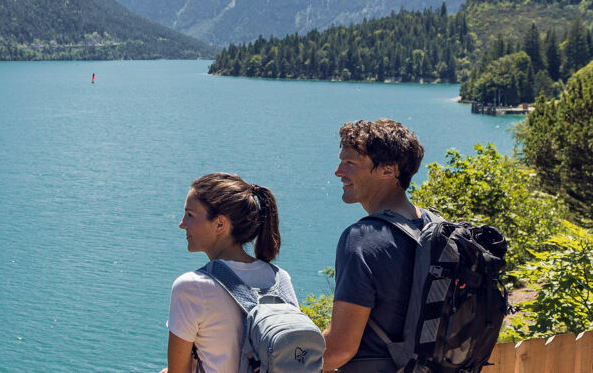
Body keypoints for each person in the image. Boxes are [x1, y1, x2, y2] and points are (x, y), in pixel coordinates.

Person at [322, 119, 426, 372]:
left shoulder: (362, 239)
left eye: (350, 163)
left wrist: (282, 363)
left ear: (388, 171)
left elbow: (340, 348)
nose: (338, 171)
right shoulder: (436, 226)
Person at [164, 173, 295, 373]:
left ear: (220, 224)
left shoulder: (191, 286)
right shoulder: (279, 278)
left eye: (190, 215)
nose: (182, 223)